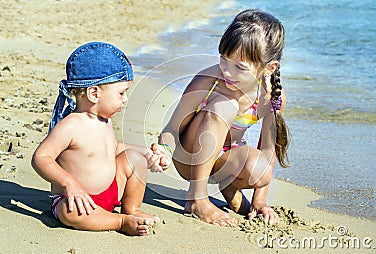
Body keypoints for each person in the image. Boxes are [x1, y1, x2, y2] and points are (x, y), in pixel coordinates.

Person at [156, 9, 290, 226]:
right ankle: (196, 198)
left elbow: (268, 150)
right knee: (226, 105)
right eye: (224, 60)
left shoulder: (272, 98)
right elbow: (171, 129)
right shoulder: (206, 82)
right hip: (189, 158)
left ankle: (229, 187)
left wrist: (260, 201)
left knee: (261, 171)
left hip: (225, 160)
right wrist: (164, 150)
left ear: (268, 68)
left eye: (239, 67)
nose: (227, 72)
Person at [31, 42, 167, 236]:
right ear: (94, 94)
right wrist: (69, 183)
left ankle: (131, 209)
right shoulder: (71, 125)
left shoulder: (104, 119)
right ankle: (120, 221)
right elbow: (41, 158)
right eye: (121, 93)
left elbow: (113, 148)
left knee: (133, 159)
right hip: (77, 198)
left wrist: (144, 152)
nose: (125, 99)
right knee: (71, 212)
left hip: (111, 190)